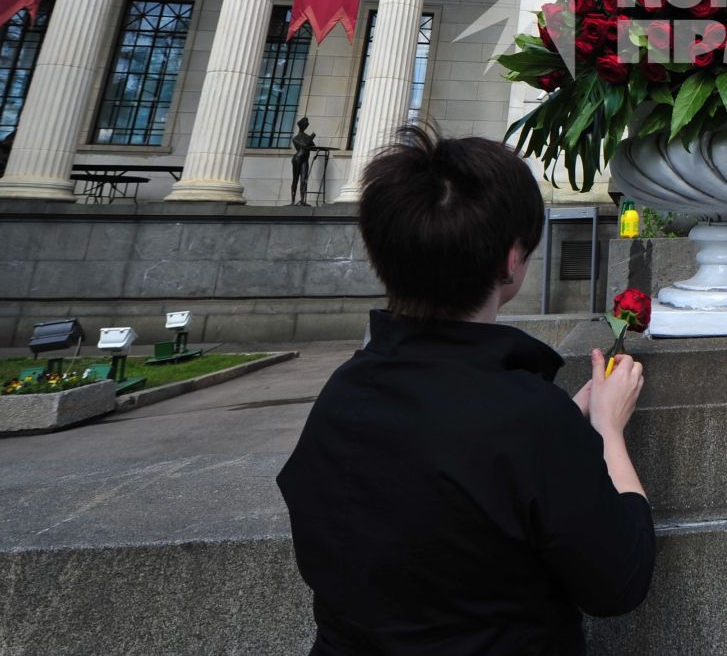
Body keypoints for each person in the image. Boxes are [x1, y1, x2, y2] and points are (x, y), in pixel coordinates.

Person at [277, 124, 654, 654]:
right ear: (511, 260)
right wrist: (607, 433)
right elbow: (620, 579)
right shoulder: (527, 417)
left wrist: (560, 424)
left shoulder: (344, 391)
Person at [289, 117, 315, 206]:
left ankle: (302, 200)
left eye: (306, 125)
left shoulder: (307, 137)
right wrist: (310, 138)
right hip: (297, 159)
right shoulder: (296, 138)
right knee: (295, 179)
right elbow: (303, 145)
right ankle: (292, 201)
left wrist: (310, 139)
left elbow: (313, 147)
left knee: (304, 180)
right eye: (305, 125)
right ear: (301, 126)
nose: (306, 126)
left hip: (305, 160)